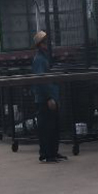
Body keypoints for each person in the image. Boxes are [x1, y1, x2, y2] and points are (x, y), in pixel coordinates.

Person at [32, 31, 65, 164]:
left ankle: (53, 152)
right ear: (40, 45)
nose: (49, 44)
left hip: (52, 97)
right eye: (46, 42)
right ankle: (46, 154)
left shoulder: (45, 58)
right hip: (45, 99)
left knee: (54, 126)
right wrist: (48, 98)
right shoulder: (39, 60)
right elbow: (41, 81)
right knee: (46, 127)